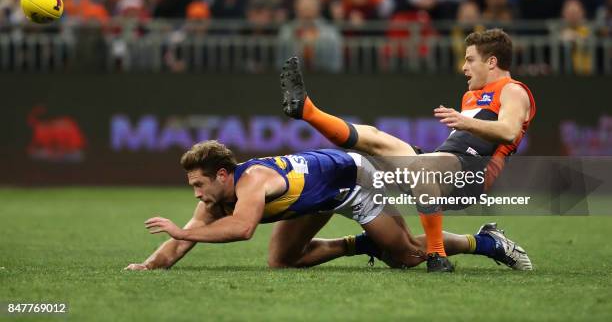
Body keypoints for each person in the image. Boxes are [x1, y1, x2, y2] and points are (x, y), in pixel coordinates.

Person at [280, 28, 536, 272]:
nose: (464, 67)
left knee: (422, 170)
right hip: (441, 165)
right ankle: (308, 111)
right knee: (374, 139)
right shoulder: (472, 95)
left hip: (473, 174)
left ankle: (437, 255)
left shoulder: (513, 90)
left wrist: (465, 121)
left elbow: (509, 131)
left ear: (491, 62)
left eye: (469, 60)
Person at [125, 141, 532, 272]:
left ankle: (486, 242)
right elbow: (181, 243)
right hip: (314, 197)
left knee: (407, 256)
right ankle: (362, 245)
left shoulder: (251, 183)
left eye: (199, 184)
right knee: (282, 262)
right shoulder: (216, 198)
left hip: (351, 181)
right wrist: (149, 266)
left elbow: (242, 229)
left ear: (221, 174)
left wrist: (182, 230)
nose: (196, 195)